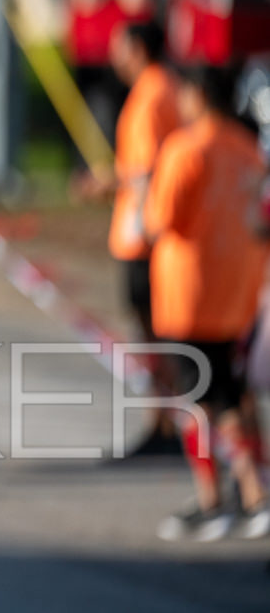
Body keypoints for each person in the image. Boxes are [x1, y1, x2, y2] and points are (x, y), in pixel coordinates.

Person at [146, 64, 269, 541]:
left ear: (197, 95)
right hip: (237, 292)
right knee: (228, 397)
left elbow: (161, 220)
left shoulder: (185, 149)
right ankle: (252, 494)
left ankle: (217, 498)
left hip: (188, 294)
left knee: (196, 402)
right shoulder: (248, 152)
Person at [106, 19, 180, 453]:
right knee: (154, 332)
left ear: (135, 47)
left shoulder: (151, 97)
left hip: (142, 236)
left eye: (118, 45)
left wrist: (106, 182)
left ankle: (165, 424)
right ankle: (166, 423)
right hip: (144, 233)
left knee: (154, 333)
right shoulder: (158, 90)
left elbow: (150, 172)